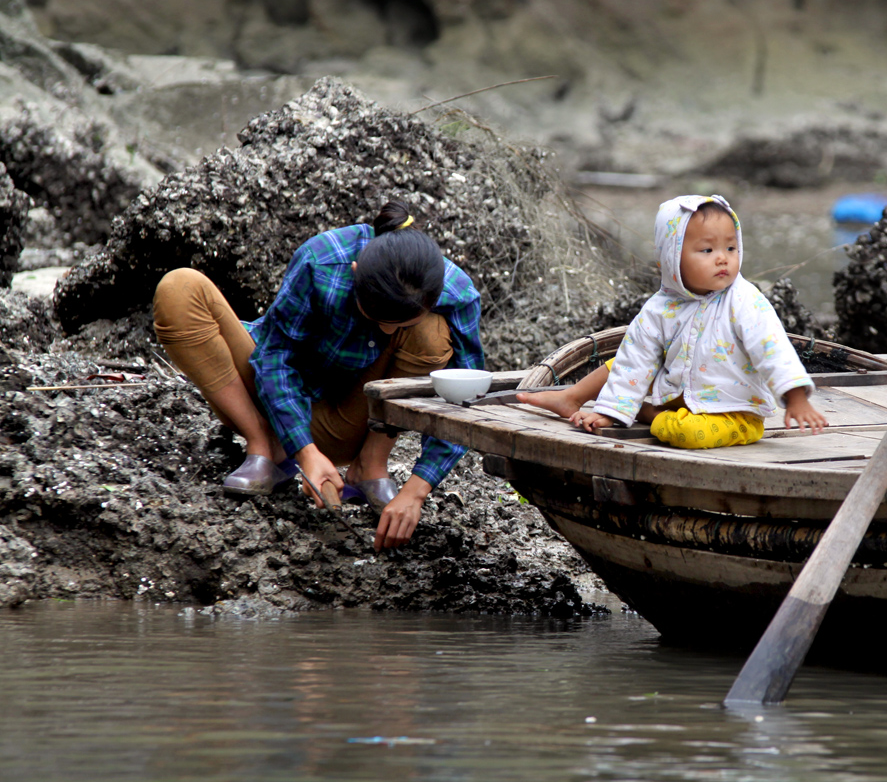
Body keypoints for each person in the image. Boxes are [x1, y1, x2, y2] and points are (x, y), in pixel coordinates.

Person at [152, 201, 483, 550]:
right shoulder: (322, 261)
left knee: (430, 333)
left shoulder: (456, 294)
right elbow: (275, 358)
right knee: (180, 288)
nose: (387, 328)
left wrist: (416, 491)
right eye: (374, 316)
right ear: (355, 272)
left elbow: (465, 398)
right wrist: (304, 452)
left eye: (400, 324)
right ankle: (265, 446)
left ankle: (370, 466)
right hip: (266, 400)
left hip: (348, 423)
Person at [519, 195, 826, 447]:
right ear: (671, 258)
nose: (722, 258)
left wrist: (795, 397)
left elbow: (772, 348)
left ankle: (645, 412)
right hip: (677, 392)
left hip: (730, 412)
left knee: (688, 434)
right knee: (623, 362)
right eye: (707, 250)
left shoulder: (745, 300)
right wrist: (612, 414)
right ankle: (571, 398)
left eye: (730, 248)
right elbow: (636, 360)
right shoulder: (660, 308)